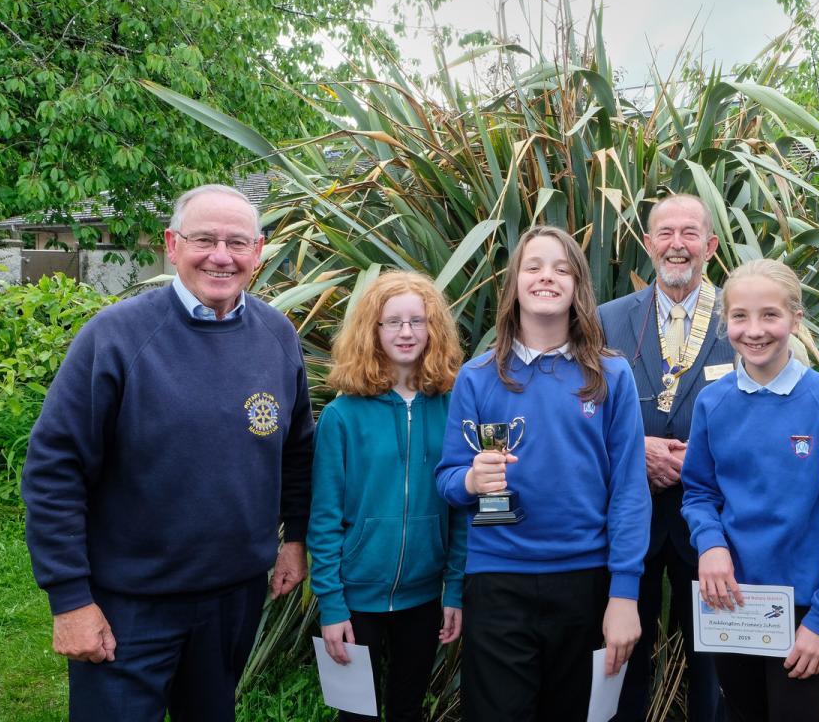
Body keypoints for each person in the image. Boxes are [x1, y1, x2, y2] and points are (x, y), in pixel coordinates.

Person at [21, 184, 315, 721]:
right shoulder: (114, 337)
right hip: (129, 601)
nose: (221, 256)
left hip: (234, 598)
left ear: (259, 251)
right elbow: (54, 472)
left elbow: (296, 451)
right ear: (171, 244)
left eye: (237, 242)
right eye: (204, 239)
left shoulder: (277, 335)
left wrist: (294, 537)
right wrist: (69, 600)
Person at [436, 225, 651, 720]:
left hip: (585, 579)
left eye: (561, 268)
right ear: (513, 284)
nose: (546, 277)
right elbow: (447, 479)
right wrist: (471, 481)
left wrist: (624, 593)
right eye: (533, 267)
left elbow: (629, 493)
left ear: (578, 285)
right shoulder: (478, 376)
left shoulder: (611, 376)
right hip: (498, 581)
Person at [681, 259, 819, 722]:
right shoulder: (713, 401)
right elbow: (699, 493)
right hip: (730, 603)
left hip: (802, 611)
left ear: (795, 319)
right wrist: (710, 547)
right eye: (740, 317)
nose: (754, 330)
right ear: (724, 321)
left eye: (770, 315)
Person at [596, 194, 735, 721]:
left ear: (711, 246)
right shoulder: (607, 320)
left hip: (715, 523)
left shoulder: (740, 316)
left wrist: (696, 460)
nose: (678, 245)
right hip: (631, 517)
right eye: (666, 234)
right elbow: (583, 414)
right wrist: (638, 454)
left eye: (690, 234)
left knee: (716, 665)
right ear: (649, 244)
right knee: (621, 655)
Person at [307, 270, 467, 722]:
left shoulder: (453, 407)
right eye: (392, 321)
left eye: (417, 321)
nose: (406, 332)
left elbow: (461, 512)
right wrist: (332, 605)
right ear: (371, 330)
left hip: (423, 596)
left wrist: (453, 590)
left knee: (407, 707)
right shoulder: (342, 415)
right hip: (356, 599)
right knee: (356, 714)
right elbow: (323, 520)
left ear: (433, 329)